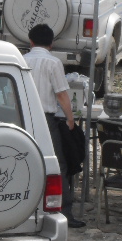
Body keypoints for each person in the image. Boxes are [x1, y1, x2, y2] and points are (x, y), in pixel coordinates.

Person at [24, 23, 86, 228]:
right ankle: (63, 212)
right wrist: (70, 119)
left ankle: (26, 210)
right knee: (58, 164)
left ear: (31, 41)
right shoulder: (53, 62)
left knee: (27, 163)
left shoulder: (22, 60)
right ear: (51, 43)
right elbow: (61, 94)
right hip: (46, 120)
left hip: (24, 119)